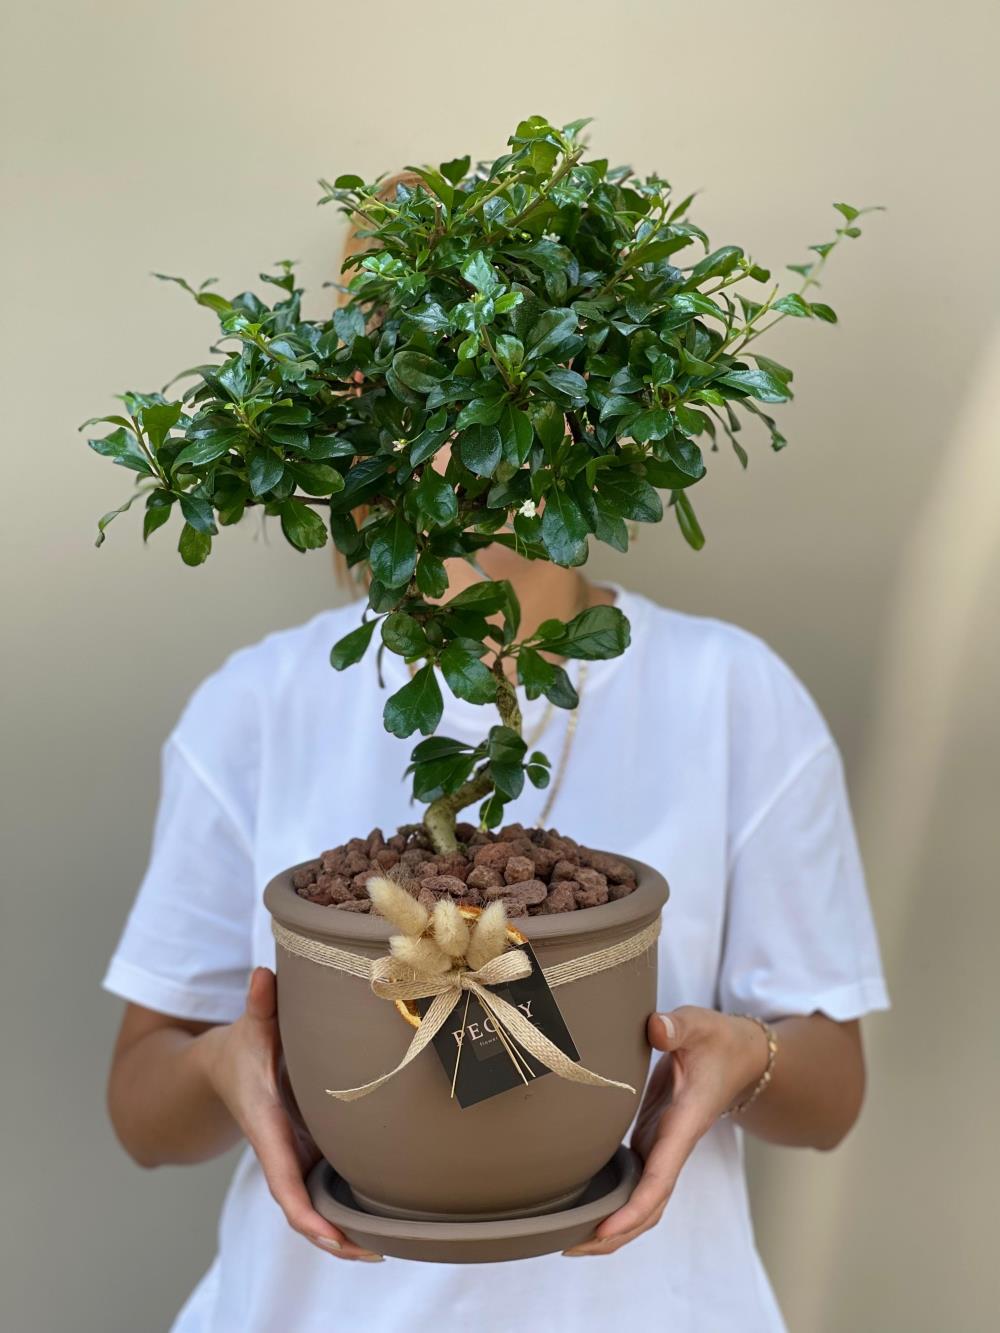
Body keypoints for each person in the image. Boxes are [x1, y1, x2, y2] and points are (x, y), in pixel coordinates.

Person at [102, 186, 889, 1333]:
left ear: (577, 376)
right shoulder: (257, 706)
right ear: (352, 400)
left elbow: (831, 1092)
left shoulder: (731, 695)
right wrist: (232, 1066)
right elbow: (140, 1102)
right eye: (401, 361)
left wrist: (743, 1056)